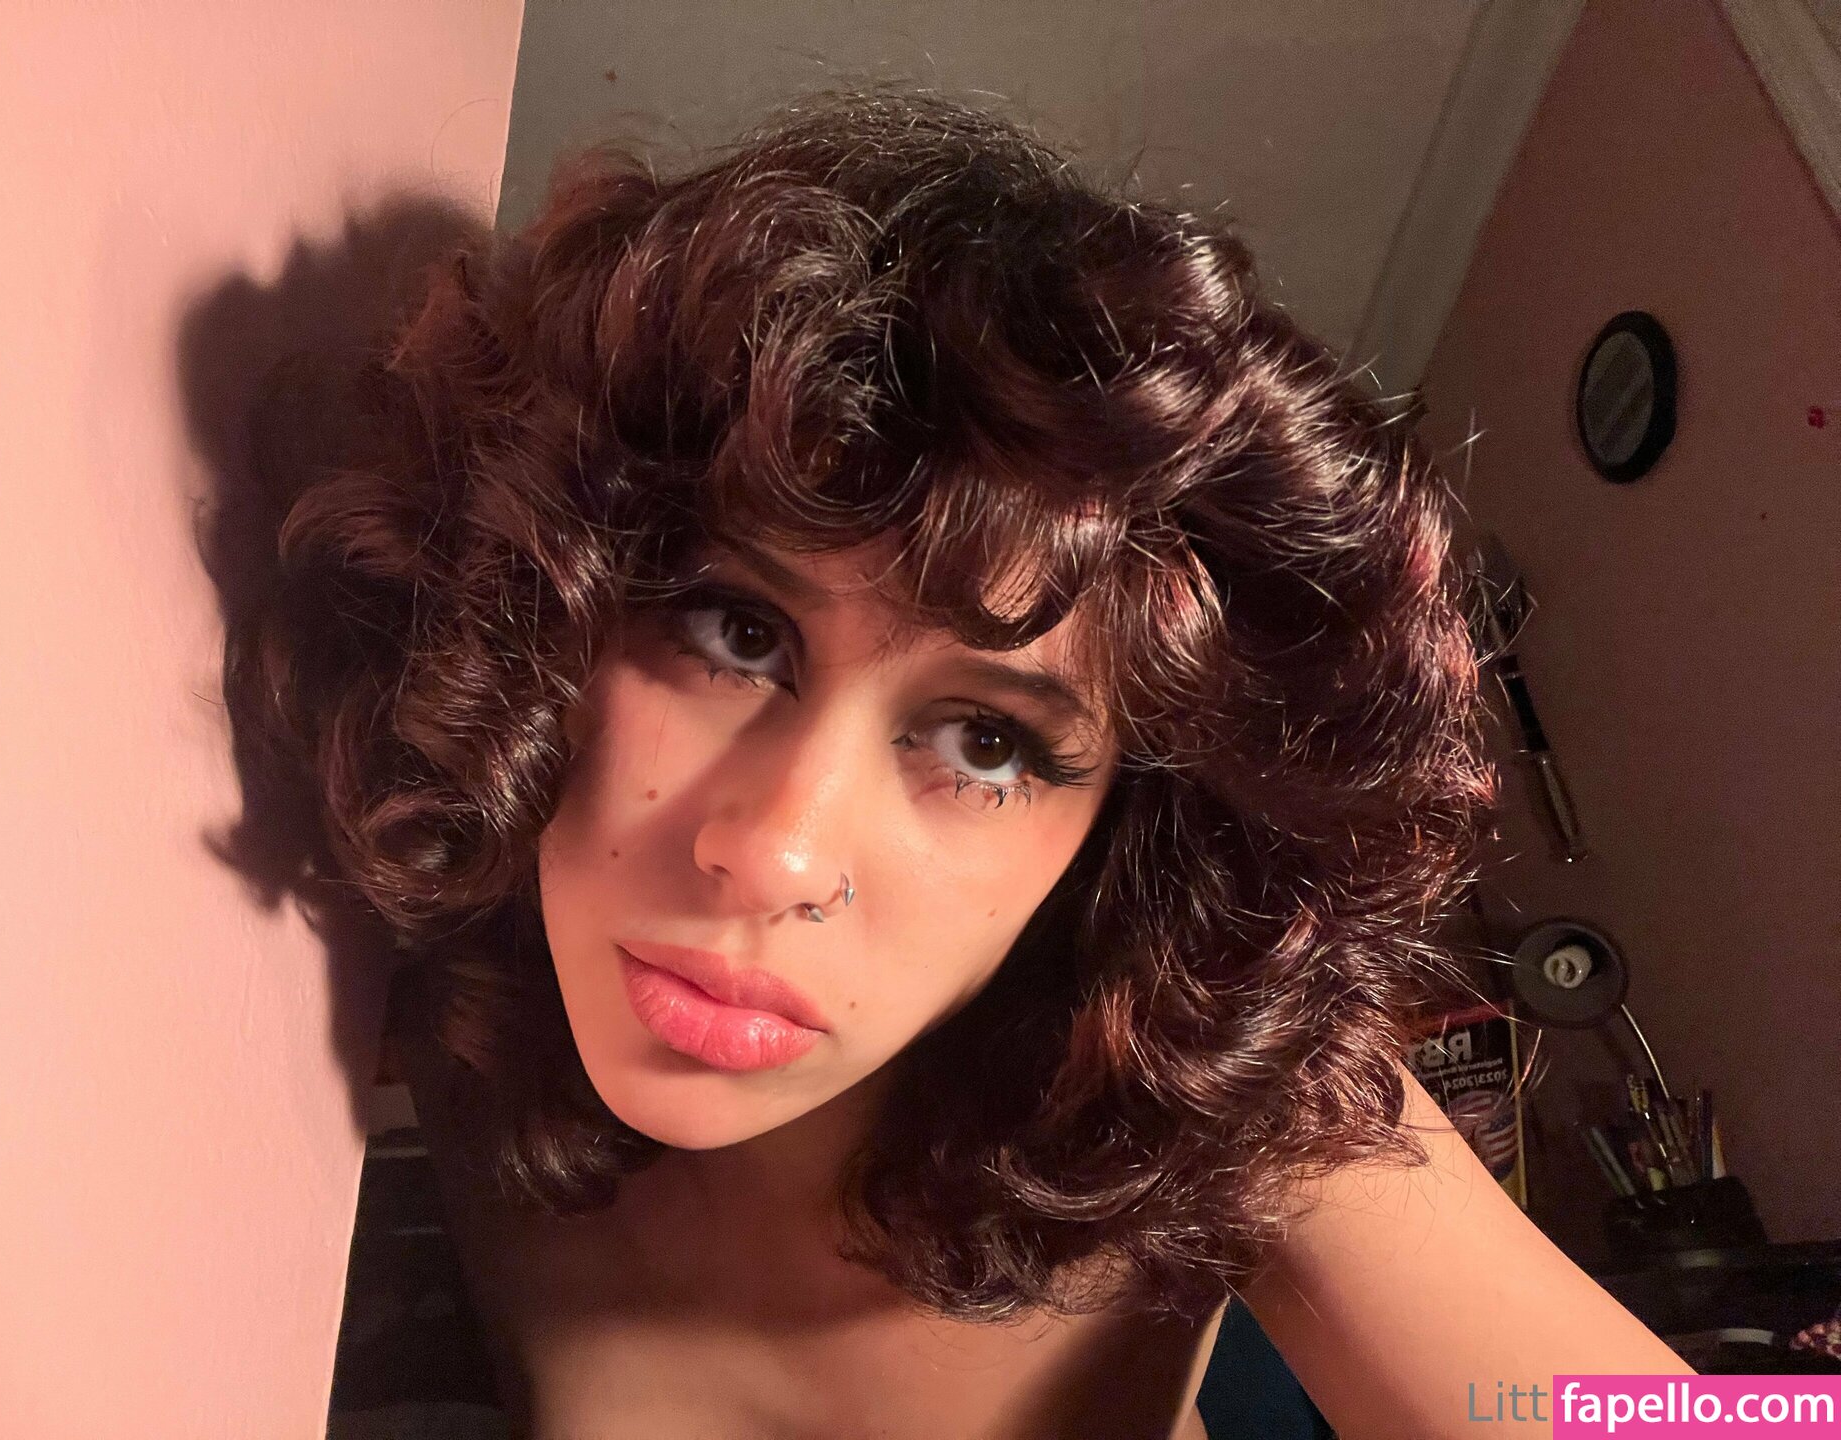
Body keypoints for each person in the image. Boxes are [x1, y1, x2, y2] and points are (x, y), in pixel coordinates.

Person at [228, 89, 1690, 1439]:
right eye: (735, 634)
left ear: (1126, 823)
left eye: (987, 742)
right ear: (556, 601)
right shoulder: (432, 935)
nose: (778, 852)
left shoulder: (1226, 1095)